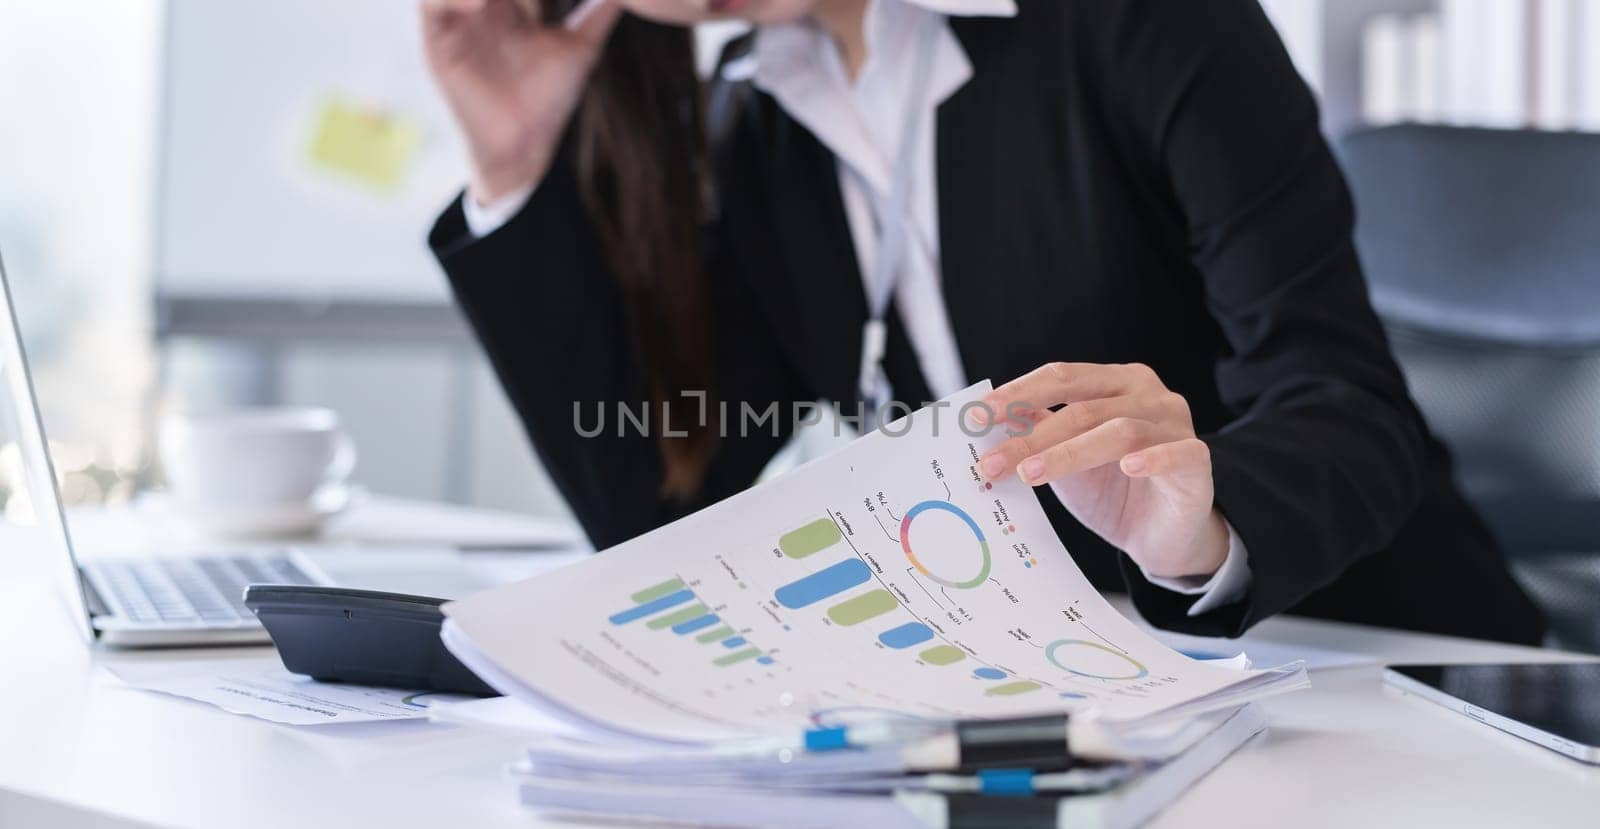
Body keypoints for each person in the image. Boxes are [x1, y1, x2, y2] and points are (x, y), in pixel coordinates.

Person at [422, 0, 1544, 644]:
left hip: (1376, 663)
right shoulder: (761, 114)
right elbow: (664, 496)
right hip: (1055, 693)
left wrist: (1196, 532)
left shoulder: (1142, 22)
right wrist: (516, 167)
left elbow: (1342, 401)